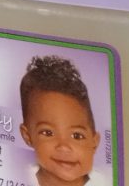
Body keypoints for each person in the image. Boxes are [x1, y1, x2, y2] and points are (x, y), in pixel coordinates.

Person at [19, 56, 102, 186]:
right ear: (27, 136)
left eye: (77, 136)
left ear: (94, 142)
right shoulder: (18, 176)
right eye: (48, 133)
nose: (64, 146)